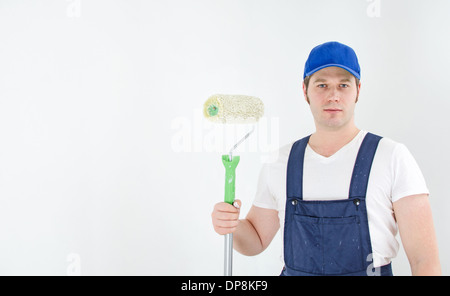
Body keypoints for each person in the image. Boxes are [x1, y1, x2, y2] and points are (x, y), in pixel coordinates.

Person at [211, 41, 441, 276]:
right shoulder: (280, 162)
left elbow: (425, 263)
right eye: (322, 85)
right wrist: (232, 225)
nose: (333, 96)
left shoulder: (392, 157)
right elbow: (256, 240)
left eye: (343, 84)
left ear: (358, 90)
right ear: (305, 91)